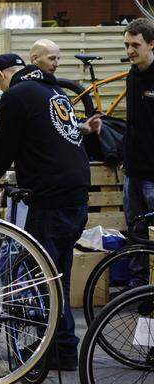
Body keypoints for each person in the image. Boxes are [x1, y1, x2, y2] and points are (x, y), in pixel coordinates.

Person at [0, 53, 102, 370]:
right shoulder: (54, 90)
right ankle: (63, 350)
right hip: (76, 194)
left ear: (3, 75)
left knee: (43, 278)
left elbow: (2, 148)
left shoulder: (17, 96)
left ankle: (48, 350)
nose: (0, 91)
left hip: (50, 198)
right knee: (57, 274)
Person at [122, 18, 154, 287]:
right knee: (136, 232)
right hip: (133, 171)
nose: (130, 50)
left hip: (153, 175)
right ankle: (137, 289)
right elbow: (133, 123)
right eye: (126, 45)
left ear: (151, 44)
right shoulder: (133, 75)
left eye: (135, 44)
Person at [0, 39, 61, 136]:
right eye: (52, 58)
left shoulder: (12, 94)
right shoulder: (36, 86)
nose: (56, 64)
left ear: (0, 76)